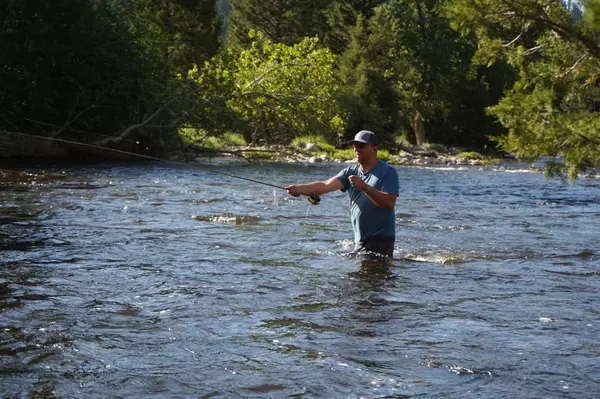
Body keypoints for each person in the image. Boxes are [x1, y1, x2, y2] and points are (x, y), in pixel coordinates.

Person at [286, 130, 399, 257]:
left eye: (361, 146)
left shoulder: (388, 172)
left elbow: (389, 203)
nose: (356, 149)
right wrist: (300, 188)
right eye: (354, 146)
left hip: (381, 242)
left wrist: (365, 187)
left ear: (375, 148)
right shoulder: (350, 172)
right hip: (360, 242)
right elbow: (325, 185)